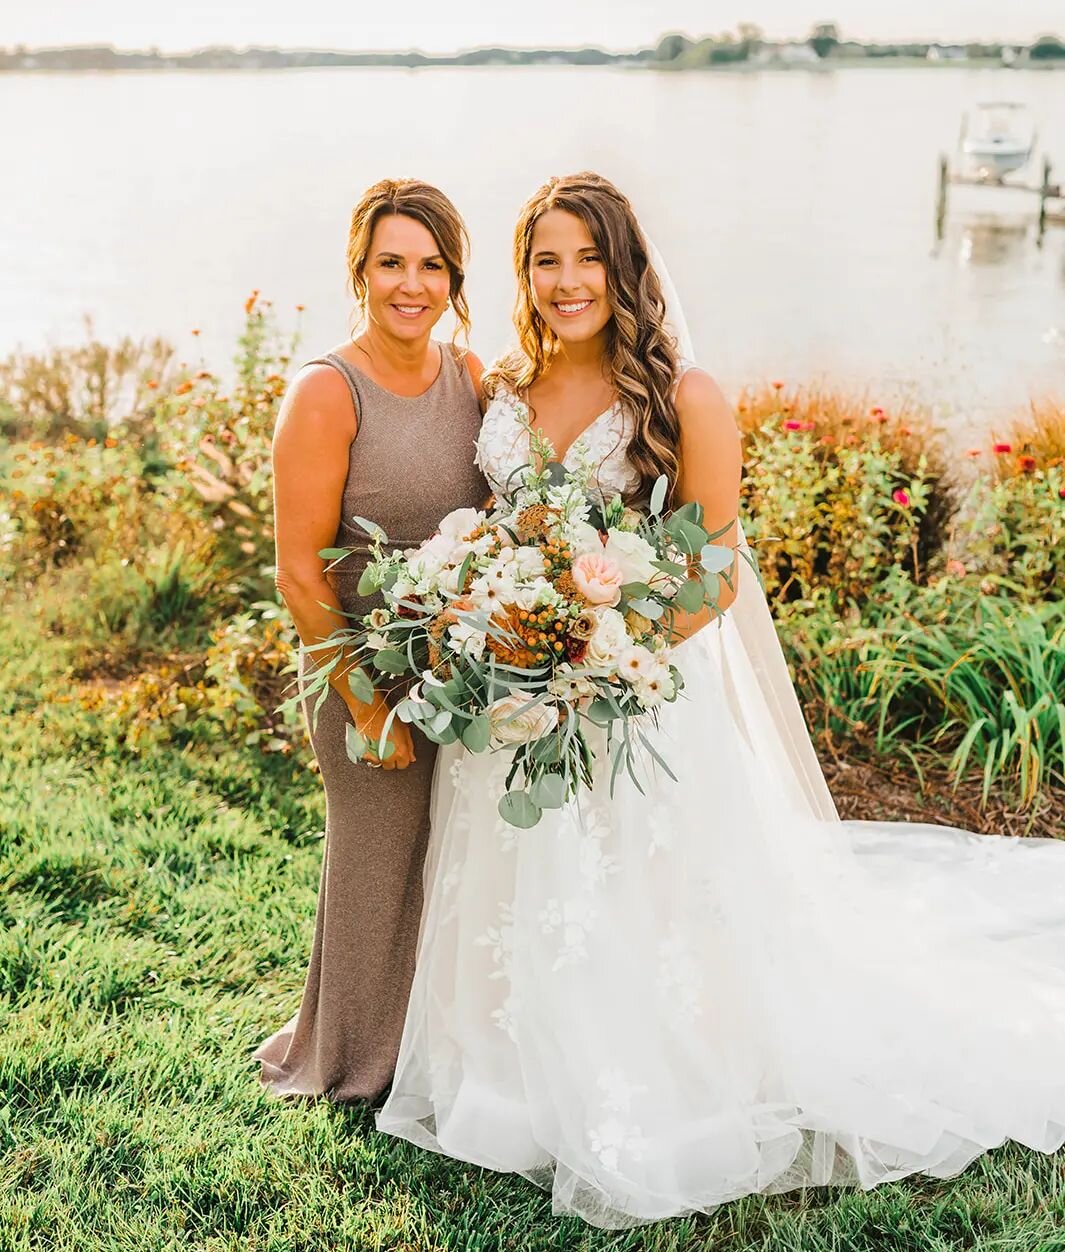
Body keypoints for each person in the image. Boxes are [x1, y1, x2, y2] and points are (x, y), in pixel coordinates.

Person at [375, 172, 1065, 1230]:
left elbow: (714, 573)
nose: (567, 282)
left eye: (587, 257)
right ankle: (505, 1082)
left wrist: (599, 654)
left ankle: (648, 1080)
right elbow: (493, 526)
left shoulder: (684, 394)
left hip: (633, 692)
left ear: (625, 267)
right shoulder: (500, 387)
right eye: (545, 260)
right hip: (511, 691)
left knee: (645, 902)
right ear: (522, 276)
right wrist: (493, 624)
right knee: (516, 894)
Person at [254, 178, 488, 1103]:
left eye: (432, 266)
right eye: (392, 263)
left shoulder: (469, 377)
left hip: (465, 671)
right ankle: (351, 1060)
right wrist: (364, 703)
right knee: (376, 862)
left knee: (457, 856)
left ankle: (443, 1040)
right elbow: (299, 576)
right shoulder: (325, 391)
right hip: (360, 672)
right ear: (360, 270)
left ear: (453, 278)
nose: (412, 284)